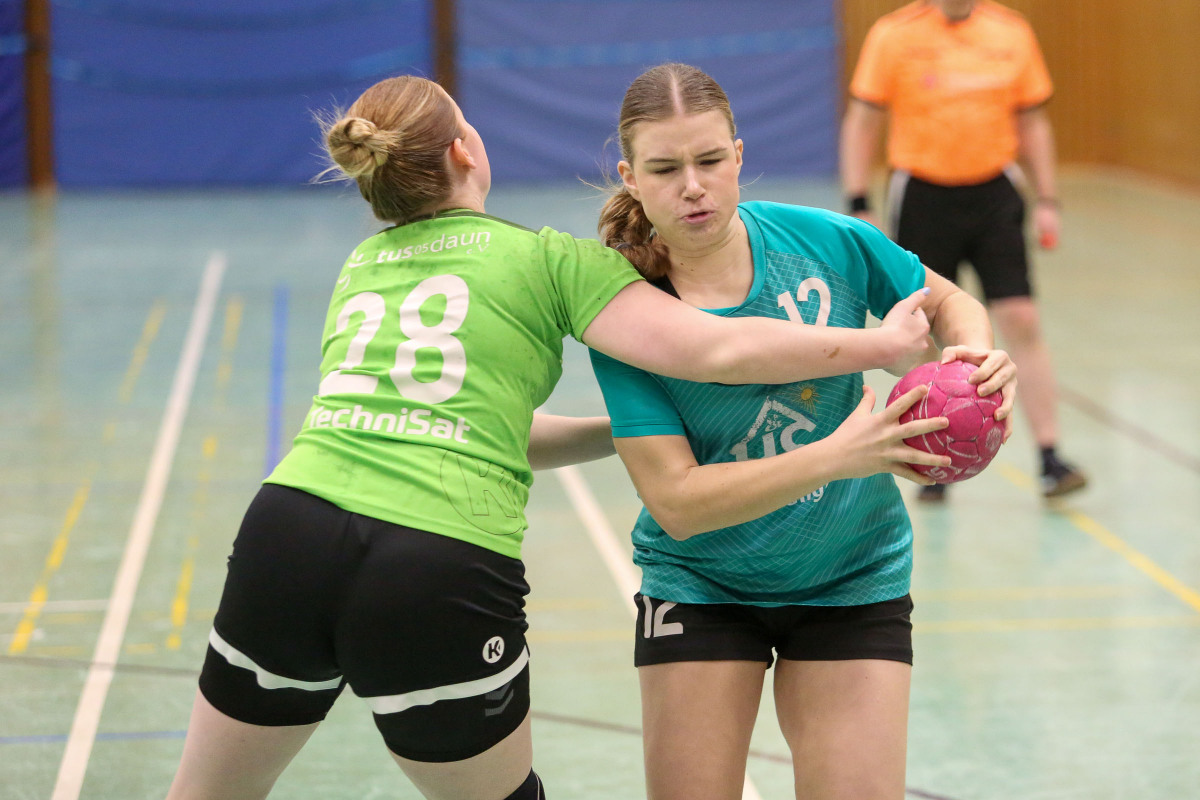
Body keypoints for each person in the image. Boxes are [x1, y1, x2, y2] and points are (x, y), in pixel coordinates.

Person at [164, 75, 940, 800]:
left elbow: (463, 425)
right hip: (434, 548)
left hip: (288, 528)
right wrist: (879, 347)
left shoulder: (362, 265)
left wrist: (629, 432)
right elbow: (718, 349)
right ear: (466, 151)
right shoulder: (547, 258)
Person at [590, 63, 1017, 800]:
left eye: (710, 160)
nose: (693, 186)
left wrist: (974, 359)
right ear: (630, 177)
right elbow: (678, 502)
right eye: (664, 169)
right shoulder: (626, 311)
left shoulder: (824, 241)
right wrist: (838, 456)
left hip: (852, 570)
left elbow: (949, 302)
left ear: (738, 157)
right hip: (703, 580)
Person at [840, 0, 1087, 502]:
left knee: (1021, 318)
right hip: (923, 195)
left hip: (994, 193)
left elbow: (1034, 122)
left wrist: (1048, 199)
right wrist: (860, 202)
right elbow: (862, 122)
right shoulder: (893, 34)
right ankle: (932, 453)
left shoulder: (1011, 33)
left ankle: (1050, 456)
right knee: (927, 327)